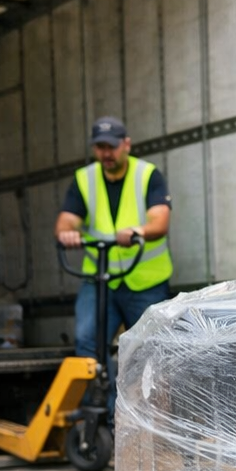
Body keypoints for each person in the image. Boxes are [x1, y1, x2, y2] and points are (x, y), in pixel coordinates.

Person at [55, 116, 173, 412]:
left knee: (149, 350)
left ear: (126, 144)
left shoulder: (148, 175)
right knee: (87, 342)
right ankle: (110, 414)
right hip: (100, 280)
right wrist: (67, 233)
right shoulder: (85, 179)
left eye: (111, 146)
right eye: (100, 147)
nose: (106, 153)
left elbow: (159, 220)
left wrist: (138, 232)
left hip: (144, 280)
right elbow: (67, 219)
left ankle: (152, 419)